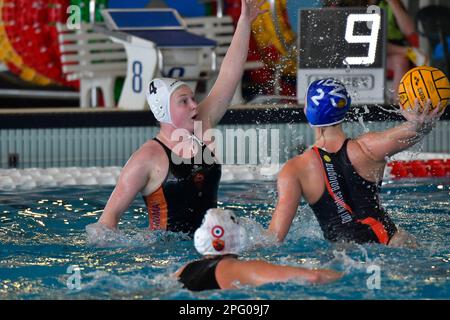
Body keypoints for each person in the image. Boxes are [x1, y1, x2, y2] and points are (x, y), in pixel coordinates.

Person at [86, 0, 269, 237]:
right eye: (184, 101)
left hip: (209, 245)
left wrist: (244, 23)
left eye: (193, 98)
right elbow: (106, 222)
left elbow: (229, 74)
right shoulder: (147, 158)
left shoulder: (203, 123)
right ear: (164, 111)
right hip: (164, 254)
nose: (195, 104)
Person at [268, 78, 443, 247]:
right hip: (395, 241)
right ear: (345, 109)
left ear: (307, 110)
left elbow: (273, 240)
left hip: (347, 253)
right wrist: (420, 118)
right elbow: (418, 129)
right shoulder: (369, 148)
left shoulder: (295, 170)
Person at [175, 208, 342, 291]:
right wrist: (345, 274)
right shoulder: (240, 268)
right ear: (240, 237)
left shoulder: (184, 270)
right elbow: (314, 277)